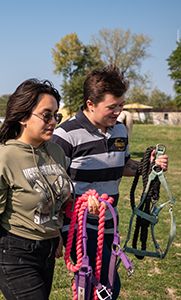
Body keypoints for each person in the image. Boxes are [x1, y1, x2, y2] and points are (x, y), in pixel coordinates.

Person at [52, 65, 169, 299]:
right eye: (111, 107)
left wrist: (149, 165)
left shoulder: (119, 131)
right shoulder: (65, 135)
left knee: (94, 285)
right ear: (90, 104)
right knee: (106, 287)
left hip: (109, 221)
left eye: (121, 106)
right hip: (78, 225)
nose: (118, 112)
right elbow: (53, 187)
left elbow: (123, 165)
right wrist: (55, 231)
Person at [0, 79, 72, 300]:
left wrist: (56, 232)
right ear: (23, 117)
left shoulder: (56, 152)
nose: (53, 122)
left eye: (56, 115)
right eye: (46, 115)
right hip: (14, 252)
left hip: (47, 251)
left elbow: (54, 198)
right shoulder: (3, 159)